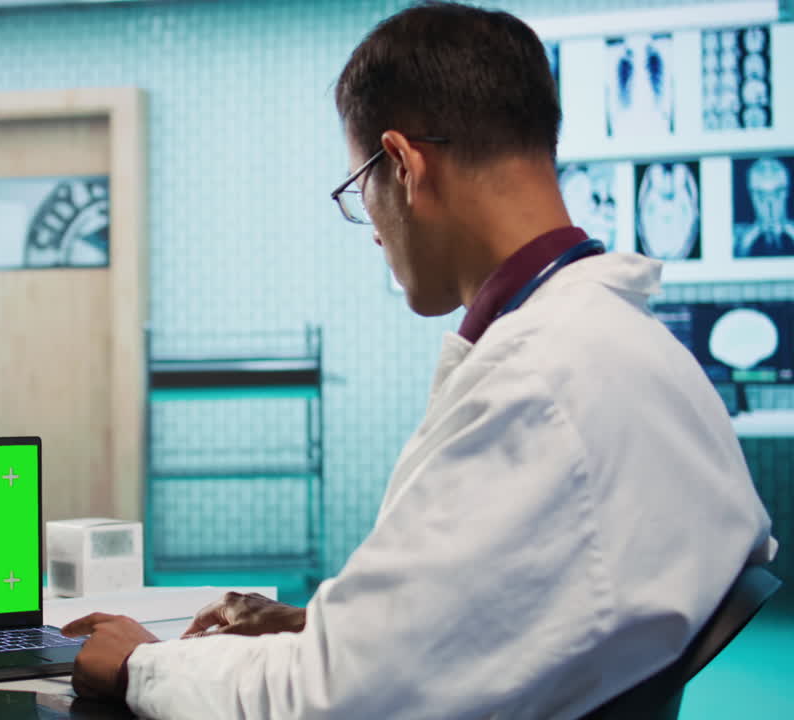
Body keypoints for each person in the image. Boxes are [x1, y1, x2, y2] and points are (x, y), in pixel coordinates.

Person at [62, 3, 778, 718]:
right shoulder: (633, 344)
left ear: (403, 165)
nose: (371, 231)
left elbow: (327, 704)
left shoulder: (537, 381)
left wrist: (142, 664)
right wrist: (319, 627)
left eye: (358, 189)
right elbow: (519, 608)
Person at [734, 156, 794, 258]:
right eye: (760, 194)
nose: (769, 202)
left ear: (787, 192)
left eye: (777, 193)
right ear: (751, 196)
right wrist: (744, 245)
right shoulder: (737, 236)